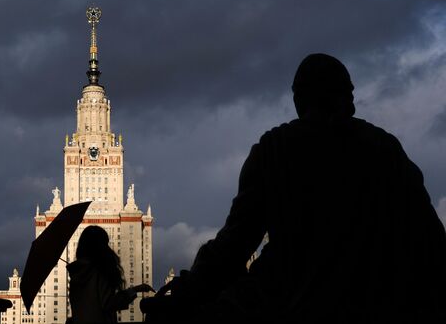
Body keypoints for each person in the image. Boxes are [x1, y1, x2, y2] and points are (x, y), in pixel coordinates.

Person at [171, 54, 446, 322]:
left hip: (294, 308)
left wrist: (189, 289)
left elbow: (234, 245)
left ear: (298, 100)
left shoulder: (273, 150)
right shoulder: (384, 150)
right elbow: (431, 242)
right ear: (347, 99)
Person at [67, 225, 154, 323]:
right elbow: (109, 303)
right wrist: (134, 290)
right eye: (105, 243)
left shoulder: (76, 273)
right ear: (100, 246)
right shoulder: (100, 271)